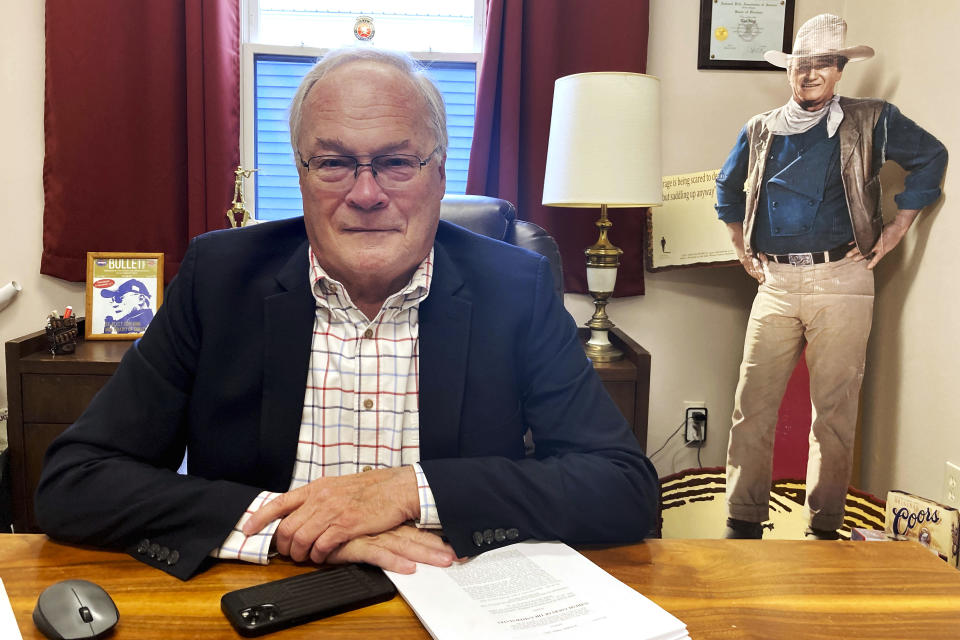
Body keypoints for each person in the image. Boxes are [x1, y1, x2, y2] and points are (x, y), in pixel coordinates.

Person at [35, 48, 659, 580]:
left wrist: (407, 490)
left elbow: (623, 489)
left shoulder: (516, 288)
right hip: (265, 595)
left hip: (450, 593)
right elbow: (76, 481)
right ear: (301, 175)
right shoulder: (218, 279)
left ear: (439, 173)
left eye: (396, 161)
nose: (366, 194)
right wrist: (286, 532)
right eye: (333, 162)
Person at [716, 14, 947, 540]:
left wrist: (898, 226)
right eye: (801, 65)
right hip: (774, 283)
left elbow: (931, 157)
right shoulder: (760, 128)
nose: (810, 74)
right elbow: (726, 189)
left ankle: (824, 530)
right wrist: (739, 246)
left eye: (823, 64)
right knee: (751, 407)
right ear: (790, 72)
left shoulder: (873, 119)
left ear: (840, 70)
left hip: (844, 278)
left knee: (834, 415)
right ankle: (741, 523)